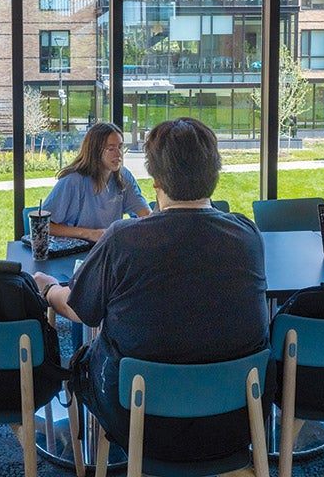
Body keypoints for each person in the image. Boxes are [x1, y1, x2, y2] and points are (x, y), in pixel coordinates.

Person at [34, 118, 268, 462]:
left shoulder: (122, 239)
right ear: (214, 175)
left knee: (86, 357)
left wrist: (50, 288)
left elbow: (80, 310)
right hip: (237, 421)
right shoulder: (248, 235)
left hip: (137, 421)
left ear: (156, 180)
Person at [43, 122, 149, 241]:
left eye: (120, 147)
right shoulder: (73, 181)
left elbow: (145, 214)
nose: (119, 154)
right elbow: (44, 226)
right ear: (95, 151)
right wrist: (90, 234)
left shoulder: (124, 176)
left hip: (108, 248)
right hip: (76, 250)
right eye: (111, 148)